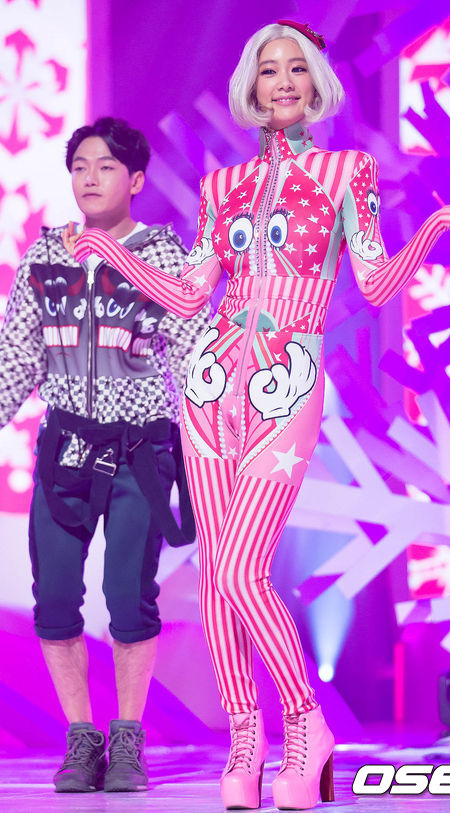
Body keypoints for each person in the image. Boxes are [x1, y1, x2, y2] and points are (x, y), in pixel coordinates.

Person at [65, 23, 450, 810]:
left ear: (315, 85)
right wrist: (110, 249)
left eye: (298, 68)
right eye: (270, 70)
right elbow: (190, 294)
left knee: (240, 567)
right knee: (216, 576)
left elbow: (374, 283)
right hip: (209, 381)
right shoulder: (223, 185)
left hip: (287, 381)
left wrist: (436, 226)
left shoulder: (346, 171)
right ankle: (245, 738)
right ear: (253, 88)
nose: (285, 80)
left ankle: (304, 722)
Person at [0, 117, 210, 793]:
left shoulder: (165, 257)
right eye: (80, 166)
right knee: (55, 602)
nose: (90, 178)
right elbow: (16, 358)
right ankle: (80, 738)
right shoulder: (45, 257)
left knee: (128, 596)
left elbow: (197, 353)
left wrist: (224, 437)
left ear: (137, 180)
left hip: (140, 450)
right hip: (64, 448)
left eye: (106, 167)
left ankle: (127, 740)